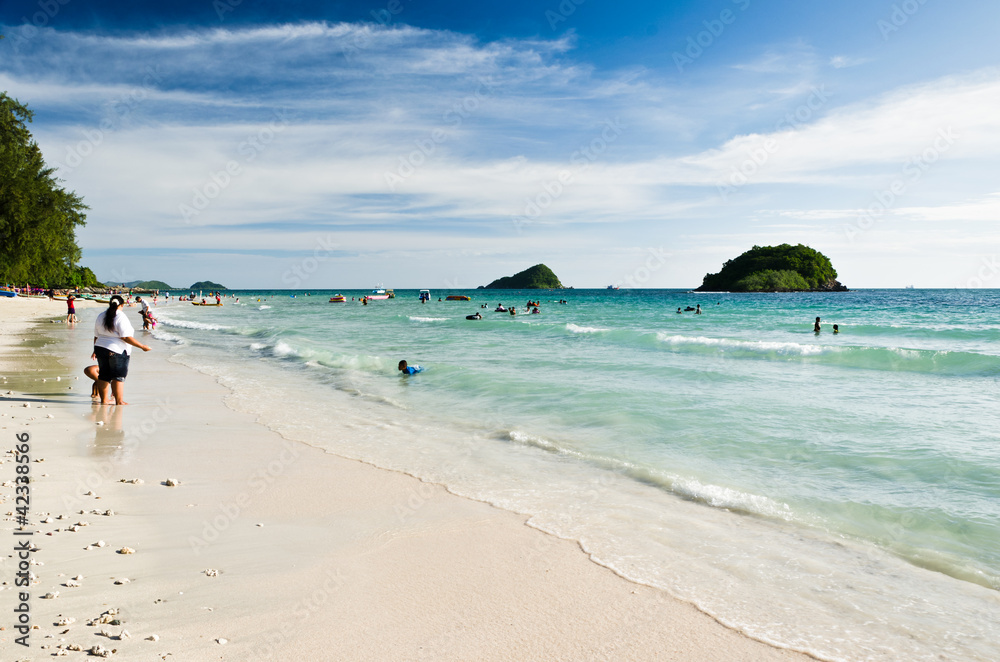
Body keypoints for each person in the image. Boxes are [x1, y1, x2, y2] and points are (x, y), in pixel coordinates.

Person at [92, 295, 151, 405]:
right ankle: (119, 401)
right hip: (116, 350)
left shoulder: (101, 315)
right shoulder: (120, 316)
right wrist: (143, 347)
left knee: (104, 375)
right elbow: (125, 337)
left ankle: (104, 400)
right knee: (118, 376)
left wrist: (95, 349)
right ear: (121, 305)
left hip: (100, 347)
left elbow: (96, 335)